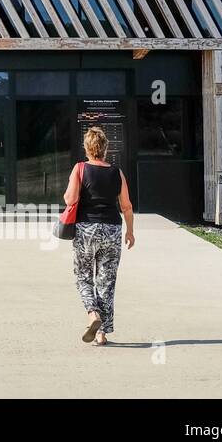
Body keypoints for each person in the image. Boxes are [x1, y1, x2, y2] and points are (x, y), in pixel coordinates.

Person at [63, 126, 135, 346]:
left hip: (86, 229)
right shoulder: (117, 172)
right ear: (106, 149)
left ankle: (92, 314)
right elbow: (127, 206)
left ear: (87, 148)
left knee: (84, 276)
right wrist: (130, 231)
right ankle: (102, 334)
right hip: (112, 229)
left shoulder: (80, 169)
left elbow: (70, 199)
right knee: (107, 282)